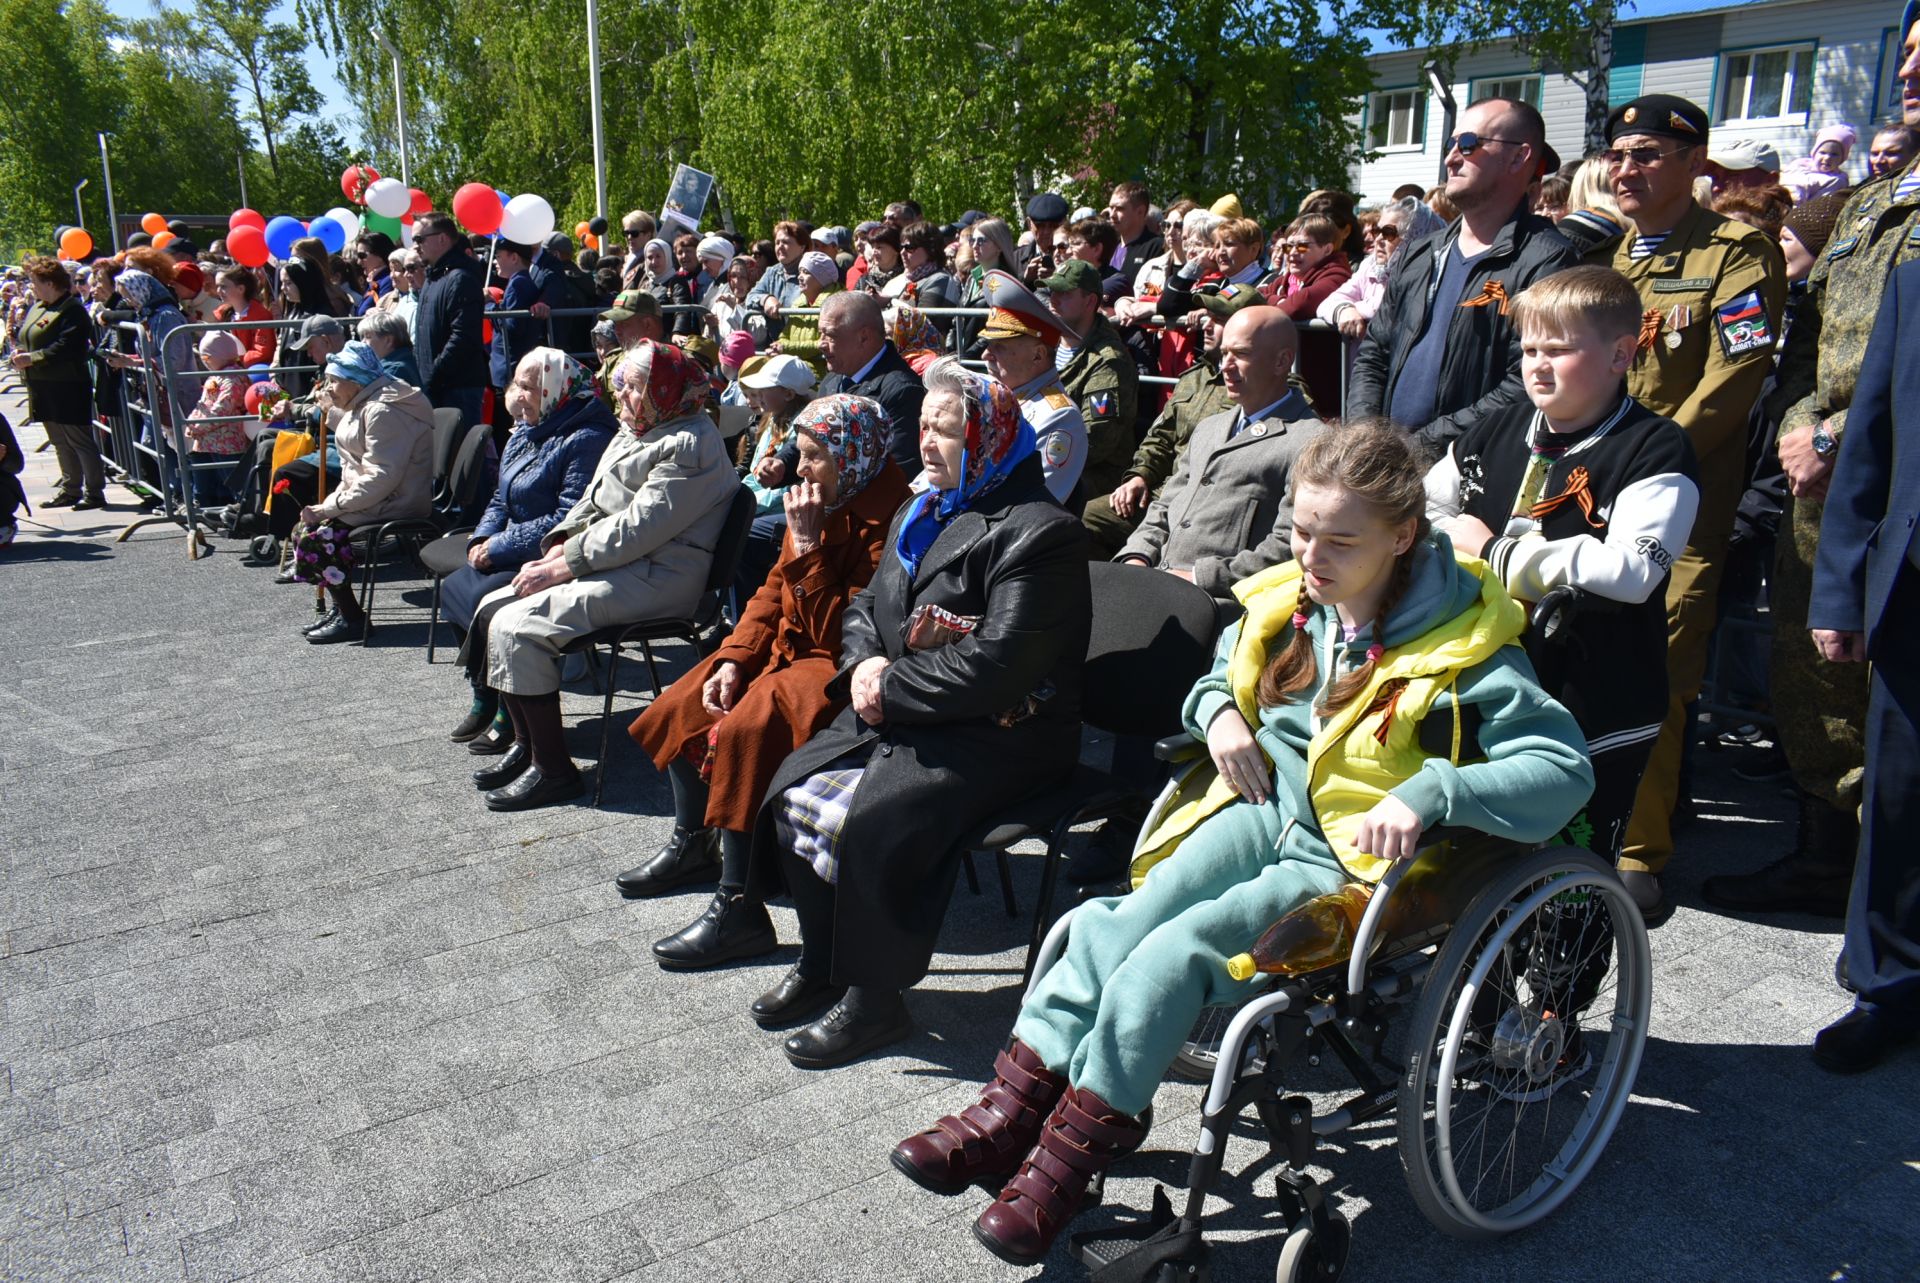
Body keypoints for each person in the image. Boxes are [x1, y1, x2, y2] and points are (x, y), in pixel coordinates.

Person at [894, 424, 1594, 1264]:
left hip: (1350, 856)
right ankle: (1007, 1116)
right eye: (1302, 531)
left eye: (1340, 539)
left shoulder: (1470, 643)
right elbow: (1224, 663)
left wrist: (1434, 788)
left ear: (1403, 535)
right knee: (1106, 923)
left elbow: (1564, 769)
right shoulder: (1296, 598)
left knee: (1171, 957)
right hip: (1267, 805)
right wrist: (1219, 714)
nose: (1312, 554)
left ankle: (1070, 1158)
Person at [739, 358, 1092, 1068]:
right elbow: (869, 603)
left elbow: (1000, 665)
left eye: (948, 430)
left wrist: (889, 687)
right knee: (790, 788)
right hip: (913, 704)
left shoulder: (1037, 532)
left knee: (869, 818)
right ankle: (824, 958)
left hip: (1004, 732)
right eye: (924, 426)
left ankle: (875, 999)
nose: (928, 443)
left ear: (989, 438)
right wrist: (866, 663)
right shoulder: (924, 503)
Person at [1703, 5, 1920, 923]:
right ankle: (1828, 854)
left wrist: (1840, 438)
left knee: (1892, 684)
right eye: (1904, 55)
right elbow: (1808, 338)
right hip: (1819, 477)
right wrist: (1803, 420)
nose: (1906, 73)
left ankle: (1890, 881)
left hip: (1896, 471)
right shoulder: (1876, 201)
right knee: (1812, 665)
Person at [623, 394, 914, 967]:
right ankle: (695, 843)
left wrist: (807, 549)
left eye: (813, 457)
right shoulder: (825, 494)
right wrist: (733, 657)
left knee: (746, 729)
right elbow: (770, 594)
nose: (800, 469)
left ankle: (740, 907)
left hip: (838, 665)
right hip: (791, 643)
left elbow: (842, 633)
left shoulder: (891, 519)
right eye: (799, 455)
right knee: (687, 700)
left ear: (849, 455)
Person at [1587, 94, 1789, 920]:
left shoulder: (1737, 251)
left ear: (1696, 164)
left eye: (1648, 155)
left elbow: (1735, 378)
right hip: (1595, 498)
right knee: (1591, 661)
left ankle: (1639, 853)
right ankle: (1594, 822)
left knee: (1659, 674)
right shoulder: (1619, 258)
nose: (1627, 170)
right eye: (1619, 156)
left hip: (1683, 511)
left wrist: (1644, 457)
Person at [1426, 266, 1700, 868]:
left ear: (1620, 355)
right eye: (1528, 349)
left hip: (1595, 694)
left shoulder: (1655, 447)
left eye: (1560, 349)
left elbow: (1633, 572)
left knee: (1571, 871)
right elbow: (1426, 505)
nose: (1537, 365)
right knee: (1481, 866)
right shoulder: (1500, 425)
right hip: (1491, 683)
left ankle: (1568, 961)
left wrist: (1497, 553)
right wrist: (1454, 537)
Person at [461, 340, 738, 811]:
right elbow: (591, 504)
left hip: (660, 576)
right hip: (622, 564)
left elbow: (637, 529)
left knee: (520, 626)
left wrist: (564, 565)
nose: (621, 397)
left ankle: (555, 771)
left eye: (633, 387)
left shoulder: (690, 444)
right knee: (492, 607)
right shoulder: (640, 428)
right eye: (622, 386)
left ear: (663, 390)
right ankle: (529, 747)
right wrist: (555, 551)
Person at [1804, 257, 1920, 1073]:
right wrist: (1840, 592)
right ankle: (1889, 984)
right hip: (1913, 591)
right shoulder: (1913, 284)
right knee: (1900, 799)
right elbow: (1870, 437)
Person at [1348, 96, 1581, 455]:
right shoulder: (1420, 252)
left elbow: (1527, 381)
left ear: (1519, 156)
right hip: (1386, 464)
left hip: (1467, 471)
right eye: (1450, 144)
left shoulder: (1549, 261)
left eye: (1470, 144)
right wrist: (1365, 435)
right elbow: (1375, 351)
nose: (1451, 157)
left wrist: (1421, 445)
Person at [447, 349, 618, 752]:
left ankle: (511, 706)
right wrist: (481, 539)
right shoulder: (527, 429)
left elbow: (568, 516)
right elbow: (500, 500)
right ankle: (486, 692)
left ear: (555, 390)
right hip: (511, 546)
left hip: (552, 554)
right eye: (517, 384)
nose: (517, 395)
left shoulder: (587, 436)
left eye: (529, 387)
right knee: (455, 585)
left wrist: (500, 546)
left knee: (481, 598)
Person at [1116, 305, 1325, 605]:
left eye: (1240, 354)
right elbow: (1167, 504)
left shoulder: (1310, 441)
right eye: (1224, 352)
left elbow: (1289, 544)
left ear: (1282, 361)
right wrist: (1137, 556)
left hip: (1219, 603)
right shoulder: (1211, 427)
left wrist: (1202, 578)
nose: (1225, 365)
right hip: (1156, 583)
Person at [277, 340, 436, 643]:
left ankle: (352, 619)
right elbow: (359, 433)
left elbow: (381, 476)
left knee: (317, 538)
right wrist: (331, 412)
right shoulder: (371, 398)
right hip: (382, 494)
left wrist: (328, 507)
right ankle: (342, 607)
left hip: (397, 499)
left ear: (355, 381)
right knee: (306, 530)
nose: (329, 388)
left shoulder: (384, 410)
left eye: (334, 381)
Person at [1083, 280, 1251, 556]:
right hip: (1164, 495)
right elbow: (1160, 437)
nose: (1206, 326)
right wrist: (1139, 476)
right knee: (1085, 520)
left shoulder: (1267, 388)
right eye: (1208, 317)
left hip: (1211, 508)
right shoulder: (1194, 379)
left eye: (1220, 320)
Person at [771, 292, 925, 481]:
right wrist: (781, 464)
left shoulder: (903, 392)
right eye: (821, 333)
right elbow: (811, 439)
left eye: (831, 335)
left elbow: (900, 471)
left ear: (864, 337)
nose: (821, 344)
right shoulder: (831, 381)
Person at [978, 269, 1087, 505]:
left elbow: (1033, 507)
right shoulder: (995, 397)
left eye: (999, 347)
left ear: (1038, 356)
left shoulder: (1059, 417)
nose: (985, 354)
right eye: (988, 344)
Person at [8, 255, 102, 510]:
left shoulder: (72, 310)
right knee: (59, 440)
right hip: (42, 384)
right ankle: (71, 488)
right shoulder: (39, 306)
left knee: (78, 440)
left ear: (50, 283)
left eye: (35, 282)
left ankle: (94, 491)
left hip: (67, 385)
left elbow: (68, 347)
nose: (32, 287)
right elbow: (28, 334)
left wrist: (33, 357)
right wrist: (21, 351)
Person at [1044, 260, 1138, 498]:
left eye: (1064, 293)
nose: (1053, 299)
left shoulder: (1108, 361)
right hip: (1047, 458)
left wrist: (1032, 454)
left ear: (1090, 301)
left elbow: (1095, 441)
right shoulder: (1044, 344)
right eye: (1052, 291)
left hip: (1088, 478)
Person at [1317, 195, 1447, 343]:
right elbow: (1327, 303)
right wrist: (1345, 310)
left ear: (1414, 239)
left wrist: (1358, 309)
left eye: (1388, 233)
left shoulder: (1431, 275)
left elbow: (1387, 313)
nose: (1378, 239)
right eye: (1378, 231)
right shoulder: (1371, 266)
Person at [1264, 213, 1353, 413]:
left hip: (1323, 386)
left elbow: (1298, 306)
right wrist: (1278, 300)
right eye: (1288, 246)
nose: (1292, 253)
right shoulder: (1288, 278)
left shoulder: (1337, 274)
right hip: (1291, 378)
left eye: (1302, 245)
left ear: (1327, 249)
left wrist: (1275, 301)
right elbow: (1256, 294)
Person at [412, 212, 488, 427]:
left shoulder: (461, 278)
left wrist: (434, 373)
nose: (415, 246)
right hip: (436, 386)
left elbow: (463, 336)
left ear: (442, 239)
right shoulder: (434, 276)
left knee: (462, 456)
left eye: (419, 239)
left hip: (457, 387)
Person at [179, 330, 253, 503]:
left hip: (226, 441)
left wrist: (196, 426)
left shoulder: (232, 378)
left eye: (207, 358)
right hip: (208, 440)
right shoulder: (218, 376)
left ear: (220, 356)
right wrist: (192, 422)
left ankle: (233, 510)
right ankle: (207, 504)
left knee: (230, 482)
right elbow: (203, 403)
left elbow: (222, 409)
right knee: (206, 480)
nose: (205, 362)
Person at [954, 217, 1021, 356]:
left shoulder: (1006, 283)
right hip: (962, 358)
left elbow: (996, 330)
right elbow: (957, 320)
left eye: (982, 240)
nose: (974, 245)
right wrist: (951, 349)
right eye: (973, 240)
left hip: (987, 362)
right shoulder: (972, 278)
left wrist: (967, 356)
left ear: (999, 246)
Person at [765, 252, 841, 370]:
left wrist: (785, 348)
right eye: (799, 272)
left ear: (822, 278)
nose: (799, 276)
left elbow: (823, 344)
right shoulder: (798, 303)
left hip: (821, 374)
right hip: (797, 369)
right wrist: (778, 346)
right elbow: (785, 336)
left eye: (806, 272)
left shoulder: (834, 305)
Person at [212, 266, 275, 367]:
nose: (218, 291)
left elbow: (262, 352)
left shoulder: (260, 316)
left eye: (223, 286)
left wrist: (234, 361)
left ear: (241, 289)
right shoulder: (223, 313)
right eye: (217, 286)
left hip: (253, 368)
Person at [1106, 181, 1165, 286]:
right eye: (1111, 208)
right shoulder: (1109, 245)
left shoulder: (1156, 247)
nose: (1112, 215)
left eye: (1120, 209)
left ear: (1140, 211)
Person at [1781, 125, 1857, 202]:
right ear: (1814, 153)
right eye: (1822, 152)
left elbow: (1820, 204)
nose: (1827, 158)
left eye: (1834, 154)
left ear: (1842, 158)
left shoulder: (1837, 180)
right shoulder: (1799, 166)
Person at [356, 310, 421, 387]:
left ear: (388, 340)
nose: (363, 342)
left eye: (368, 337)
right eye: (362, 337)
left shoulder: (394, 371)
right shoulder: (406, 358)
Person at [1016, 192, 1070, 278]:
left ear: (1065, 223)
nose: (1046, 232)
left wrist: (1060, 277)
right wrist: (1024, 279)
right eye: (1040, 225)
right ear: (1029, 224)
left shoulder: (1075, 254)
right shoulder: (1015, 258)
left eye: (1054, 226)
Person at [1705, 138, 1783, 197]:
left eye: (1733, 177)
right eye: (1714, 177)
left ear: (1770, 181)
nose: (1716, 188)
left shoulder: (1789, 218)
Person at [857, 223, 904, 297]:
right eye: (872, 247)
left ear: (896, 249)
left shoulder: (907, 278)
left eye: (879, 247)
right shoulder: (863, 280)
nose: (874, 252)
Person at [619, 211, 659, 291]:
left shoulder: (653, 260)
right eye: (626, 233)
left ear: (648, 235)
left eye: (634, 233)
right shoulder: (626, 259)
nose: (629, 237)